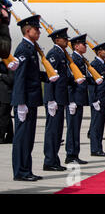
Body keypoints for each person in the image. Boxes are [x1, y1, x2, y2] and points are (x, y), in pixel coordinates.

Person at [11, 15, 50, 181]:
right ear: (28, 31)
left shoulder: (31, 48)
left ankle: (27, 169)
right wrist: (20, 103)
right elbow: (19, 77)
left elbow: (31, 75)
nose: (39, 32)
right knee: (22, 138)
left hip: (31, 100)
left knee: (29, 138)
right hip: (25, 101)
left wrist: (48, 76)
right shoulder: (23, 49)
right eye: (36, 29)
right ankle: (20, 172)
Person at [43, 27, 76, 172]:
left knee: (57, 132)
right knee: (52, 132)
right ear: (57, 40)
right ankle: (49, 161)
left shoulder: (62, 54)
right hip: (54, 100)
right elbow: (51, 78)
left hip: (61, 98)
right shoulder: (54, 54)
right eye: (65, 39)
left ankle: (54, 160)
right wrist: (50, 99)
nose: (67, 41)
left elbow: (64, 78)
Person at [65, 34, 92, 164]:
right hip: (74, 99)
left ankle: (75, 154)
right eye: (83, 44)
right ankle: (70, 155)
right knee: (72, 127)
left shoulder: (80, 59)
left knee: (76, 128)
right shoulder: (73, 59)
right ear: (76, 46)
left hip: (80, 98)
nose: (85, 46)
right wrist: (71, 100)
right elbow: (70, 81)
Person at [89, 42, 105, 157]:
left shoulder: (103, 64)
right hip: (98, 100)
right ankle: (95, 149)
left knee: (100, 125)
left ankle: (99, 148)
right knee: (96, 126)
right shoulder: (94, 64)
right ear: (99, 52)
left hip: (103, 99)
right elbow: (92, 84)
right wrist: (94, 100)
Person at [0, 58, 14, 144]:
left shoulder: (10, 65)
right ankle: (10, 136)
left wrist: (1, 76)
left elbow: (11, 80)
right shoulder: (2, 64)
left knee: (3, 117)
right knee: (6, 117)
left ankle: (1, 137)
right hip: (2, 95)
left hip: (6, 96)